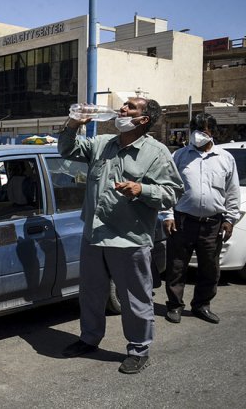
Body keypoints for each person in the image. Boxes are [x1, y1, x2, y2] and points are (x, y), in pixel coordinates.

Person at [58, 97, 184, 374]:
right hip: (95, 235)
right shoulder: (103, 144)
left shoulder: (157, 152)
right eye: (124, 105)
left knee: (134, 298)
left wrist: (143, 191)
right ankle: (89, 338)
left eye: (130, 107)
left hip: (129, 239)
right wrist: (72, 124)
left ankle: (138, 349)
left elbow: (174, 193)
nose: (122, 109)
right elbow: (67, 150)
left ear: (143, 120)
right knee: (91, 294)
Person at [163, 114, 240, 324]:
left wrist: (230, 219)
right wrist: (168, 214)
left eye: (203, 130)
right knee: (177, 266)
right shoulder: (179, 156)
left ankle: (202, 305)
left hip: (212, 224)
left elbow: (232, 191)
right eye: (194, 129)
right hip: (183, 221)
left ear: (212, 132)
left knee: (210, 268)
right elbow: (168, 188)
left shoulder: (225, 158)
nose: (198, 134)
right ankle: (175, 306)